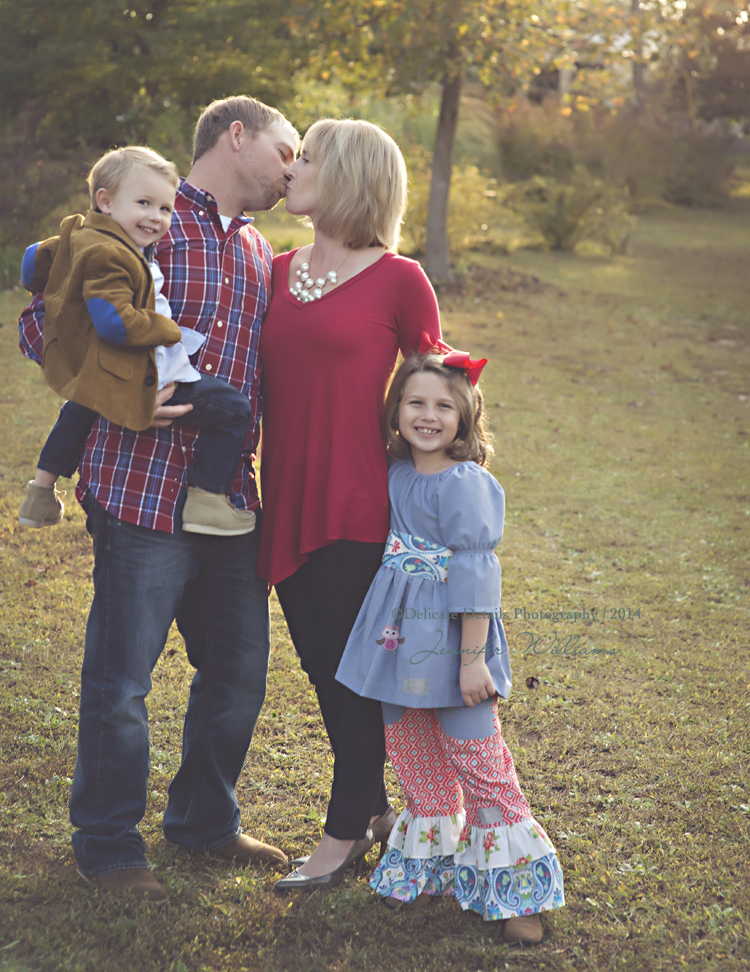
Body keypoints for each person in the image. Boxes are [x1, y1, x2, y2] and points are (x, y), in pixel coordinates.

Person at [18, 95, 299, 904]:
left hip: (228, 497)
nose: (292, 168)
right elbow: (44, 322)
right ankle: (107, 844)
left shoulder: (256, 250)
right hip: (140, 491)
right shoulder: (149, 215)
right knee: (122, 680)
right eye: (287, 149)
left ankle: (204, 821)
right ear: (236, 136)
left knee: (239, 674)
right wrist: (123, 389)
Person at [258, 119, 442, 891]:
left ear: (352, 177)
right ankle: (373, 813)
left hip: (361, 502)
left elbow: (441, 391)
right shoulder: (272, 269)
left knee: (353, 682)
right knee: (322, 669)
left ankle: (339, 838)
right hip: (283, 495)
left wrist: (437, 500)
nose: (291, 167)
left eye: (309, 157)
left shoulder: (401, 277)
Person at [336, 343, 565, 944]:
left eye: (444, 405)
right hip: (395, 636)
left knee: (478, 760)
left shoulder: (466, 484)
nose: (428, 415)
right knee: (414, 755)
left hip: (452, 636)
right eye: (415, 402)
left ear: (465, 417)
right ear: (395, 412)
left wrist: (470, 661)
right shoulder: (395, 472)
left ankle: (519, 892)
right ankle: (432, 866)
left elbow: (475, 574)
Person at [19, 145, 256, 538]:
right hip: (150, 371)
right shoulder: (112, 254)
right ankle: (208, 498)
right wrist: (168, 329)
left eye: (165, 209)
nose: (157, 218)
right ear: (106, 201)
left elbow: (32, 262)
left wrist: (55, 272)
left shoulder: (85, 237)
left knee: (79, 406)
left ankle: (41, 492)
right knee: (233, 409)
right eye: (144, 203)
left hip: (106, 363)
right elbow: (115, 324)